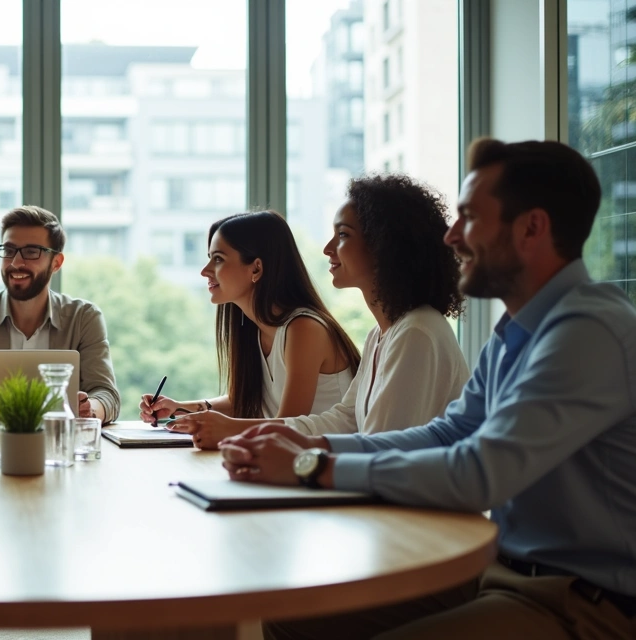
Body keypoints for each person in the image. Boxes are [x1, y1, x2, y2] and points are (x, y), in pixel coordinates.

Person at [224, 138, 636, 639]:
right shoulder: (516, 332)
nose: (452, 237)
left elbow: (480, 470)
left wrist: (312, 466)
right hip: (505, 574)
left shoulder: (587, 331)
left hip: (582, 603)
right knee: (289, 618)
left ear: (532, 227)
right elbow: (449, 432)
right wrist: (309, 445)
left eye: (470, 218)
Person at [151, 177, 470, 443]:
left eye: (343, 235)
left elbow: (379, 450)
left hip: (414, 516)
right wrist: (220, 421)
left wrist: (235, 430)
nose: (328, 249)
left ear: (385, 245)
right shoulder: (381, 335)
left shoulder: (416, 333)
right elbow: (345, 420)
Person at [140, 211, 361, 449]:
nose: (205, 271)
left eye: (218, 259)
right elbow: (244, 399)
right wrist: (181, 408)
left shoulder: (304, 329)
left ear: (256, 269)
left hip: (326, 466)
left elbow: (287, 429)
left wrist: (224, 429)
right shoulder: (255, 329)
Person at [0, 205, 120, 425]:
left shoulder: (84, 318)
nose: (16, 263)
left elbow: (106, 394)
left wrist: (89, 410)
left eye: (31, 252)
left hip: (61, 446)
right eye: (9, 250)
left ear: (56, 263)